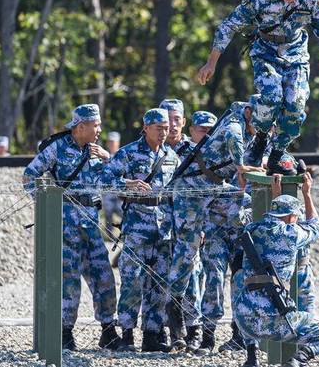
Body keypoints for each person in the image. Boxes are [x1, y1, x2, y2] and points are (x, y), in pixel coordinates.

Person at [23, 104, 148, 351]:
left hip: (90, 220)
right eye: (96, 125)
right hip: (65, 223)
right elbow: (30, 176)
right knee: (69, 279)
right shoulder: (57, 148)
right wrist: (47, 205)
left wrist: (112, 164)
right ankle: (64, 332)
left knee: (103, 276)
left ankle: (108, 331)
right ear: (81, 127)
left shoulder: (94, 152)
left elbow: (107, 179)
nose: (100, 130)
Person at [196, 0, 319, 175]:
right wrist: (211, 62)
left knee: (296, 107)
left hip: (296, 53)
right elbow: (229, 25)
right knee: (272, 96)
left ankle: (278, 153)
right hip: (266, 52)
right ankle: (260, 138)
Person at [166, 97, 264, 351]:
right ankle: (174, 305)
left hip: (216, 188)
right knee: (187, 252)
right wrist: (242, 165)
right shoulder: (234, 125)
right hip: (192, 189)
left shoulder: (250, 126)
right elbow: (234, 141)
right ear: (250, 112)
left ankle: (235, 333)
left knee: (247, 201)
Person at [232, 173, 319, 367]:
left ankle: (251, 357)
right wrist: (307, 194)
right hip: (274, 318)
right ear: (292, 217)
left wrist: (277, 198)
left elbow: (265, 219)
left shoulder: (250, 229)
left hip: (244, 318)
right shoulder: (290, 234)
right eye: (295, 217)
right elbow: (316, 227)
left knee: (241, 278)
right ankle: (299, 360)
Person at [105, 108, 180, 352]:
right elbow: (103, 179)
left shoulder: (172, 156)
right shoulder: (128, 153)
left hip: (164, 227)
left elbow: (178, 193)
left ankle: (152, 335)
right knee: (132, 281)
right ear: (146, 127)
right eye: (159, 128)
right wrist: (129, 184)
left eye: (166, 128)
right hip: (137, 225)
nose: (163, 133)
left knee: (159, 283)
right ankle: (126, 335)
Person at [159, 99, 204, 351]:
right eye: (167, 119)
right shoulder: (152, 149)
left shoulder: (195, 151)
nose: (172, 124)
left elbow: (207, 191)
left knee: (193, 276)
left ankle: (193, 330)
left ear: (184, 122)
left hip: (189, 227)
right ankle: (162, 332)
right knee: (157, 278)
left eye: (177, 119)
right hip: (158, 227)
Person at [102, 131, 123, 238]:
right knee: (108, 215)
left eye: (113, 142)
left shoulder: (122, 156)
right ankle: (110, 237)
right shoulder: (103, 157)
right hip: (108, 193)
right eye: (110, 142)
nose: (111, 144)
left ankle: (125, 234)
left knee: (123, 214)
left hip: (120, 193)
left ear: (118, 143)